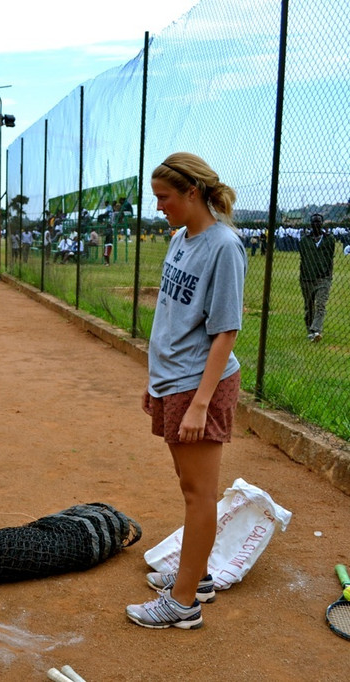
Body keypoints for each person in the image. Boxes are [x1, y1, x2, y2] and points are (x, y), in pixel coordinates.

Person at [126, 152, 246, 631]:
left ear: (192, 193)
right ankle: (196, 579)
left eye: (164, 197)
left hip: (200, 385)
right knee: (189, 487)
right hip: (172, 381)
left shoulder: (224, 246)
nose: (159, 207)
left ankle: (183, 605)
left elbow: (226, 331)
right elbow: (171, 317)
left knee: (200, 495)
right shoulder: (180, 238)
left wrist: (199, 404)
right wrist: (155, 383)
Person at [298, 213, 336, 343]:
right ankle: (310, 329)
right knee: (309, 306)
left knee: (320, 304)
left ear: (322, 223)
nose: (316, 224)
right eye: (314, 222)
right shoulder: (304, 240)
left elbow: (330, 256)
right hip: (307, 278)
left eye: (319, 222)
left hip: (323, 278)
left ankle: (316, 330)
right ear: (310, 224)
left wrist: (327, 273)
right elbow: (303, 257)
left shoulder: (329, 240)